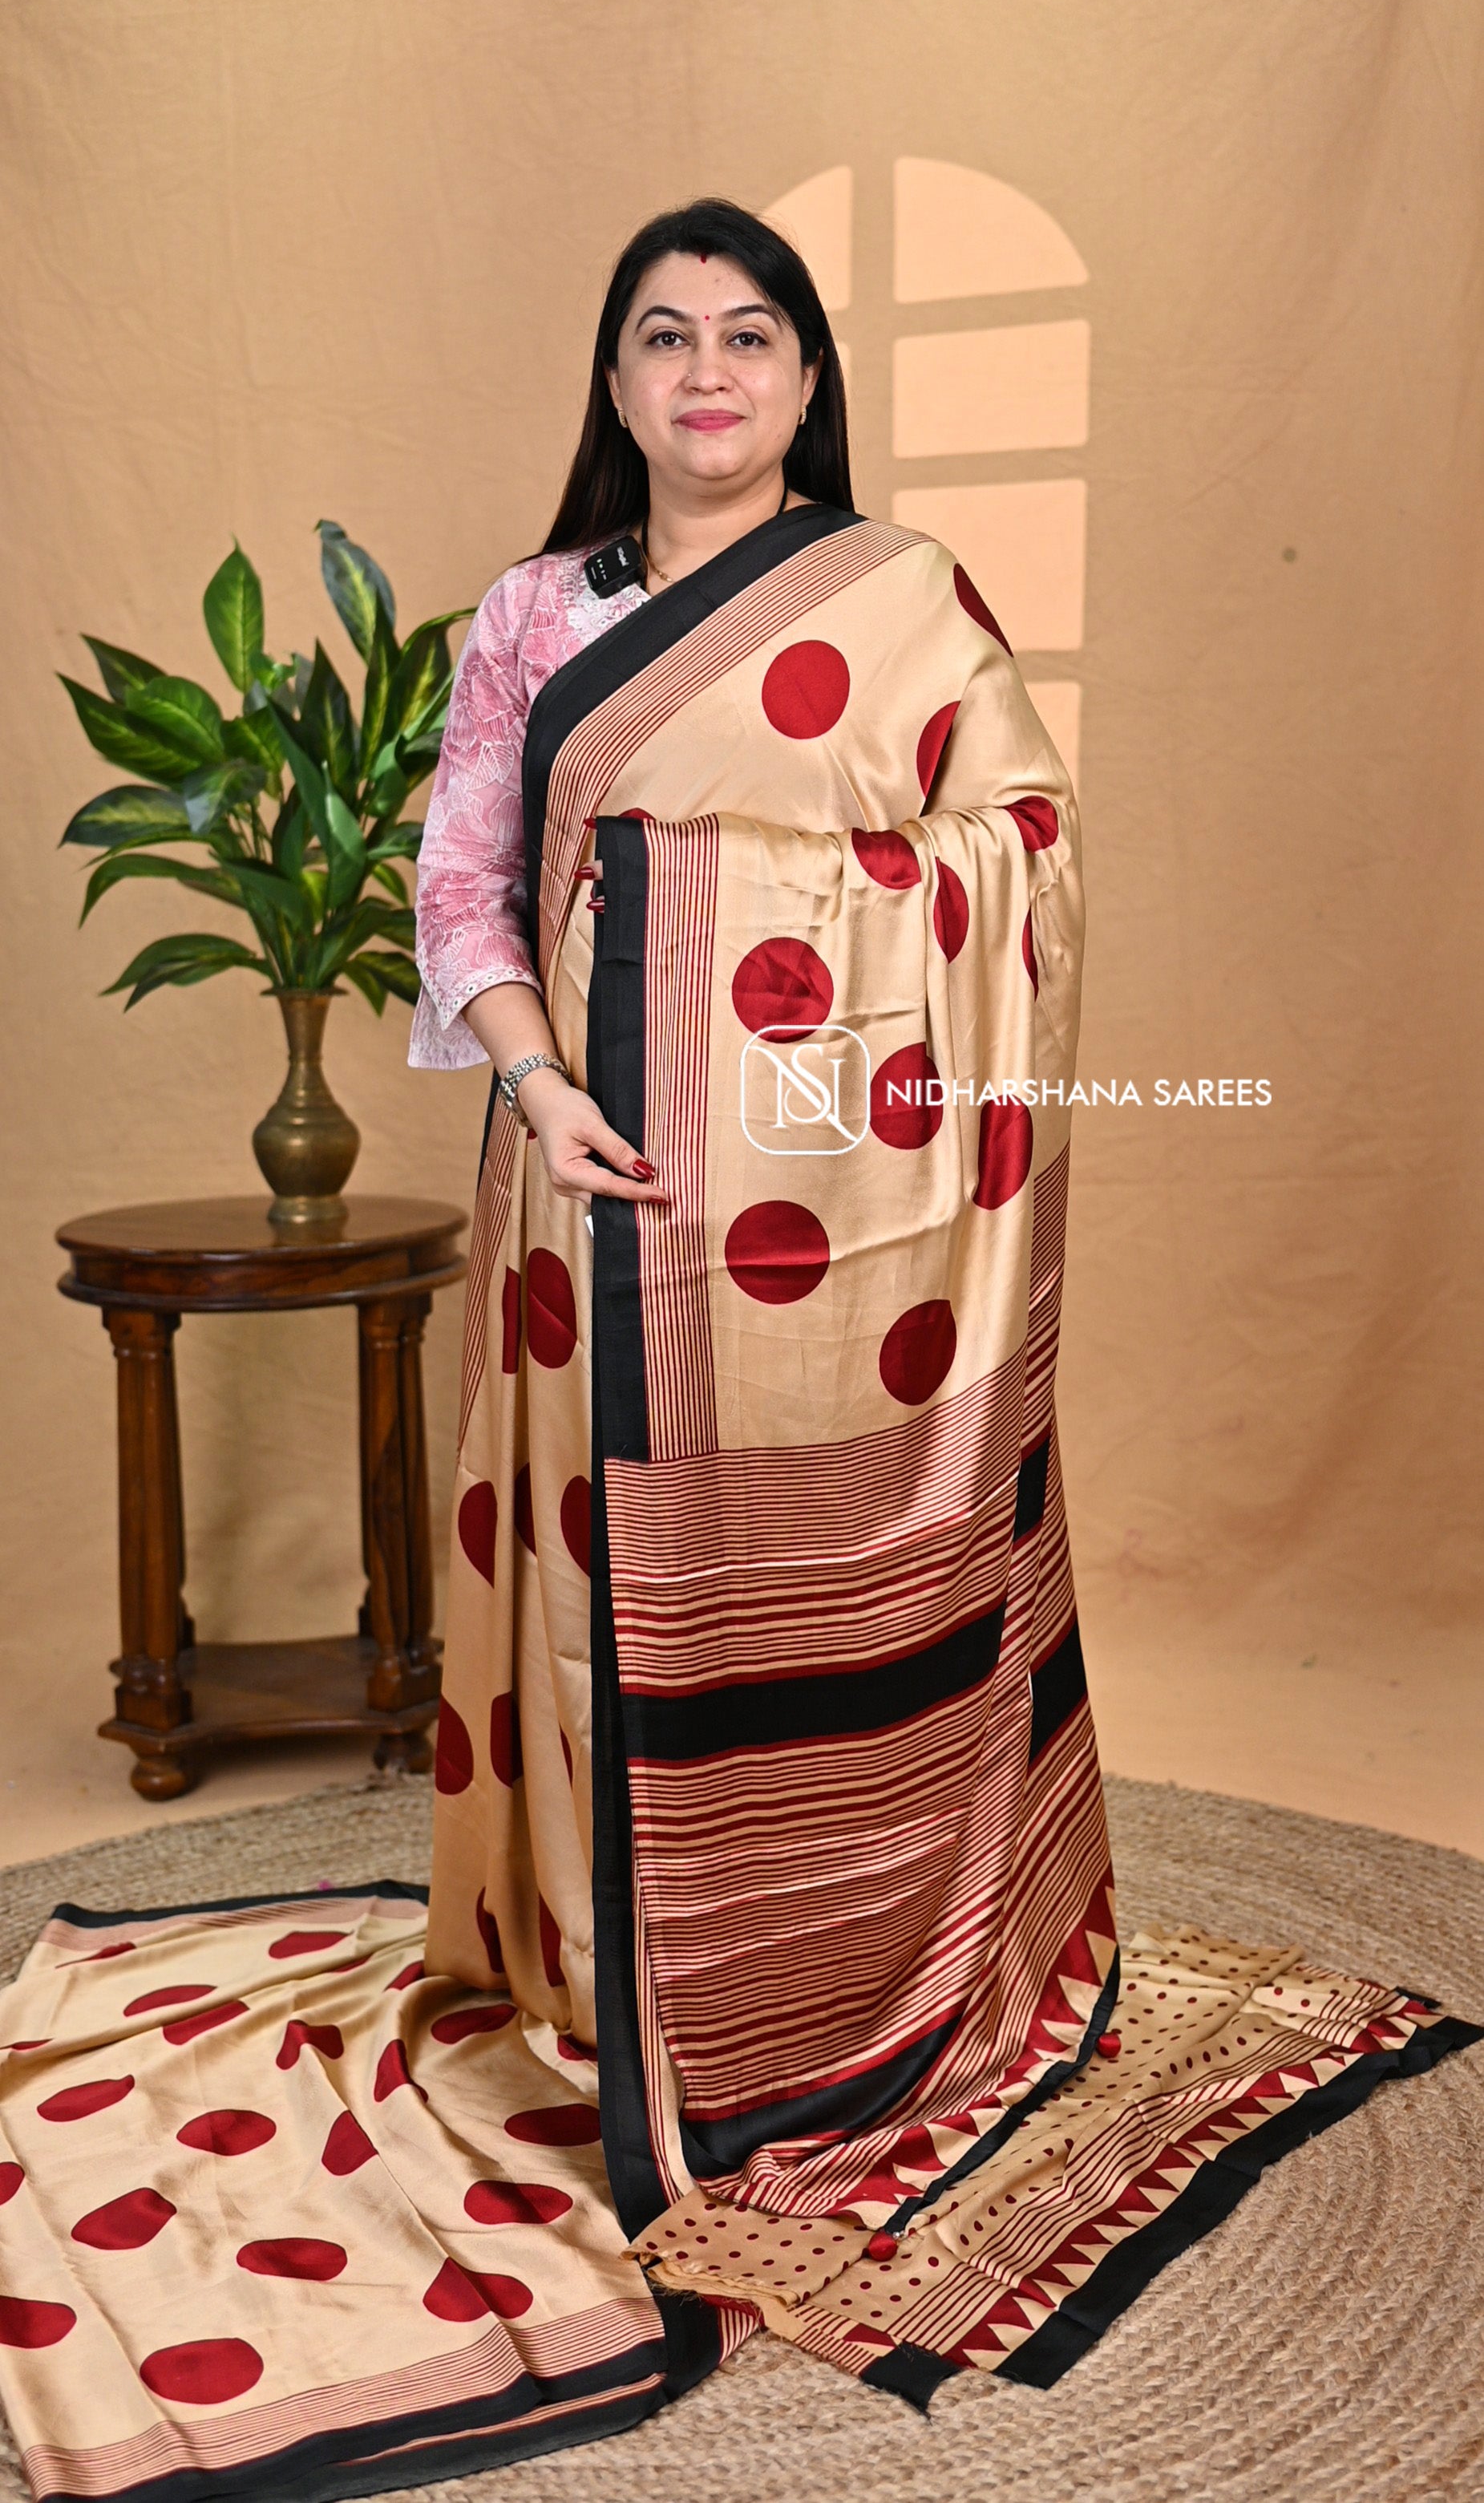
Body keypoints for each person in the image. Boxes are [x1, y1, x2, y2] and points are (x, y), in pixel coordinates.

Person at [0, 201, 1471, 2502]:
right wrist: (534, 1066)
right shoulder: (531, 617)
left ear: (804, 380)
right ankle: (618, 1990)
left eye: (751, 335)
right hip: (594, 1191)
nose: (706, 371)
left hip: (846, 1229)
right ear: (612, 380)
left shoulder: (900, 599)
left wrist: (714, 914)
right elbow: (462, 882)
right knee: (605, 1592)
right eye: (664, 336)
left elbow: (1026, 860)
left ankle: (846, 1991)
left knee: (824, 1580)